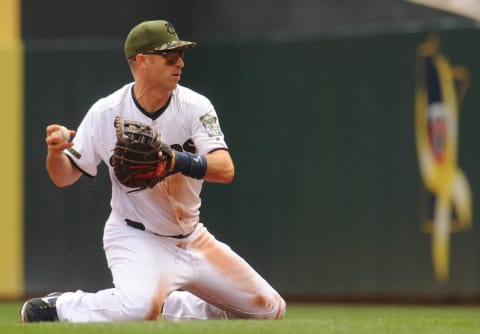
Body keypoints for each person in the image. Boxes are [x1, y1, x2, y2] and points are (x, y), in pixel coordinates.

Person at [20, 19, 286, 323]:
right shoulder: (106, 112)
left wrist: (174, 160)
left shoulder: (195, 106)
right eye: (170, 57)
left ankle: (171, 305)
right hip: (136, 237)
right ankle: (61, 306)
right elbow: (64, 176)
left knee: (268, 309)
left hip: (192, 238)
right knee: (137, 309)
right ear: (142, 61)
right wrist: (55, 153)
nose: (180, 63)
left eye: (181, 55)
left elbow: (225, 169)